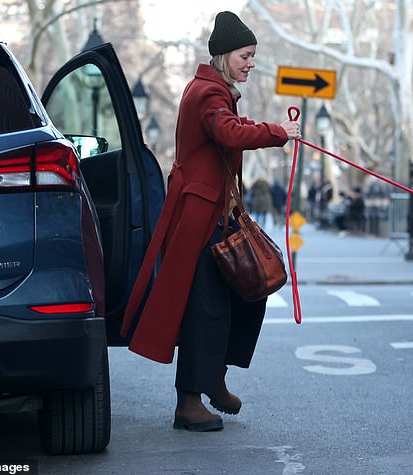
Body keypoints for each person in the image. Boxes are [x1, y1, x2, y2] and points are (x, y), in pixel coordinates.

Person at [119, 11, 300, 432]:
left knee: (248, 290)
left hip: (218, 214)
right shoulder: (207, 93)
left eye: (253, 54)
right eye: (246, 54)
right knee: (205, 307)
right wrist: (279, 133)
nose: (251, 62)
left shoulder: (216, 90)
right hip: (199, 219)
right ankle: (188, 402)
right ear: (223, 55)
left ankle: (214, 377)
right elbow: (231, 133)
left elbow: (233, 128)